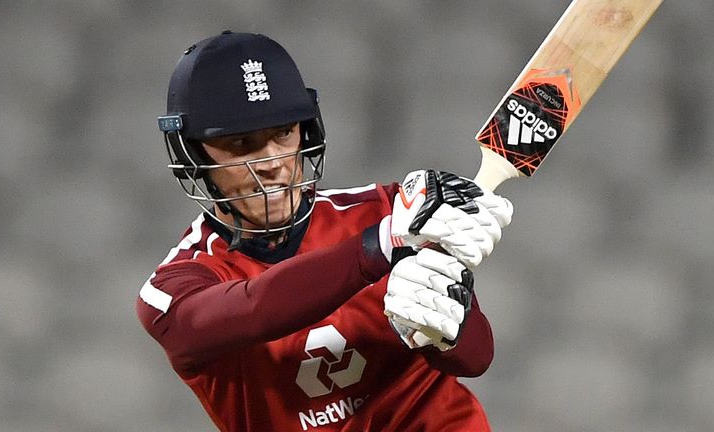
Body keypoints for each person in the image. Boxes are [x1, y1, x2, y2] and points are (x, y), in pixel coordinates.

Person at [136, 31, 513, 432]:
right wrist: (381, 245)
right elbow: (254, 308)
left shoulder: (389, 210)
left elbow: (475, 359)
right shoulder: (172, 292)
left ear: (307, 132)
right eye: (241, 143)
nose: (271, 163)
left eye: (283, 133)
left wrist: (447, 324)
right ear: (192, 153)